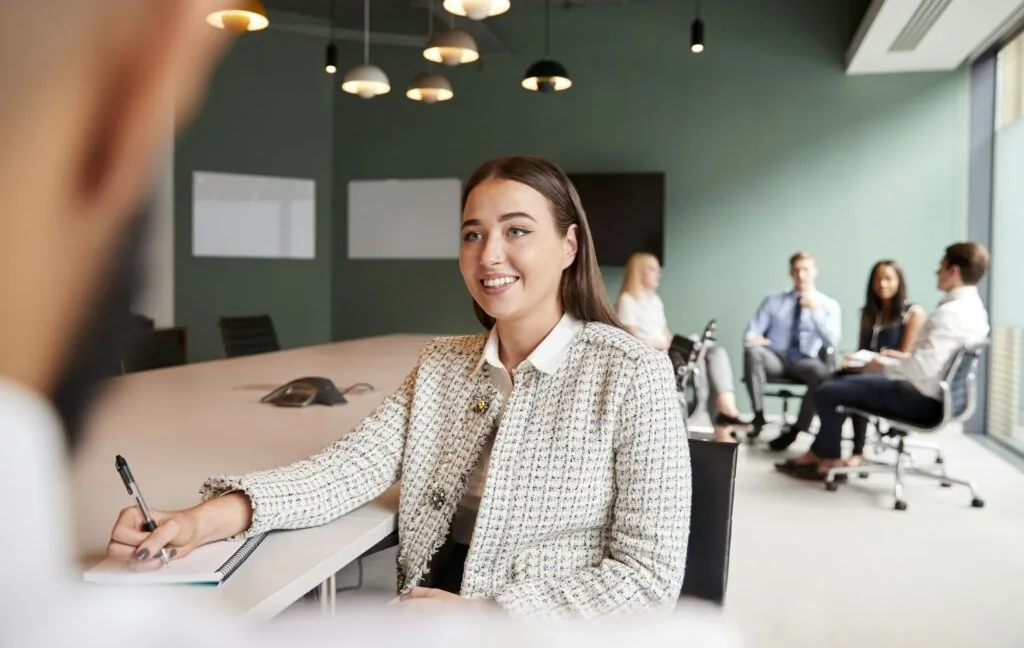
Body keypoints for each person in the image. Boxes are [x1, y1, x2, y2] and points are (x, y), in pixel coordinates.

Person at [106, 156, 692, 617]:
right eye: (472, 234)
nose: (490, 254)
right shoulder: (442, 364)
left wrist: (486, 617)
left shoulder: (632, 373)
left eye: (517, 230)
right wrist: (200, 520)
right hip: (426, 609)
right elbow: (344, 470)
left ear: (569, 246)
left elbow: (647, 577)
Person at [779, 243, 990, 480]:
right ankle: (821, 453)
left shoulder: (950, 314)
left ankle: (830, 459)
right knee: (833, 382)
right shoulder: (975, 310)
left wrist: (879, 364)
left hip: (920, 399)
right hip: (934, 394)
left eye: (940, 268)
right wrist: (893, 361)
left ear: (953, 271)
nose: (936, 274)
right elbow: (931, 362)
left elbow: (920, 369)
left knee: (828, 392)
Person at [617, 252, 746, 443]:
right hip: (652, 356)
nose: (658, 274)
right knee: (706, 358)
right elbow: (629, 339)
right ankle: (723, 420)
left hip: (668, 351)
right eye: (652, 269)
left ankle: (726, 408)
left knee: (713, 352)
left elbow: (668, 335)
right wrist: (660, 344)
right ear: (638, 272)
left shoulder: (654, 300)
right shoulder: (627, 301)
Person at [742, 251, 842, 450]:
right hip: (776, 357)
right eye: (796, 270)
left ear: (815, 272)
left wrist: (815, 312)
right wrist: (753, 338)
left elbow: (832, 341)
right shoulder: (773, 301)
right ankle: (758, 415)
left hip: (805, 360)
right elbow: (752, 331)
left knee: (821, 374)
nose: (801, 275)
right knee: (753, 351)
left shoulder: (828, 305)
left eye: (805, 269)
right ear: (791, 273)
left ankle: (797, 429)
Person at [838, 260, 925, 463]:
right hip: (871, 368)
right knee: (831, 381)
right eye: (878, 280)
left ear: (899, 282)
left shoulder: (913, 314)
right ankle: (825, 451)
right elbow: (863, 349)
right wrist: (853, 359)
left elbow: (906, 355)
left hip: (897, 375)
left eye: (888, 279)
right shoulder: (868, 313)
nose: (882, 284)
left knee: (854, 387)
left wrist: (882, 356)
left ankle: (856, 452)